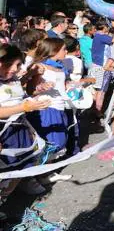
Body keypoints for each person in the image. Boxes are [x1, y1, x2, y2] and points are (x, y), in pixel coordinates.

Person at [0, 45, 51, 207]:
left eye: (17, 65)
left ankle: (4, 198)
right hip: (4, 135)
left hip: (20, 130)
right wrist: (24, 108)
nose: (14, 69)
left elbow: (19, 94)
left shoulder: (13, 79)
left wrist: (34, 81)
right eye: (9, 65)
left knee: (22, 167)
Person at [26, 38, 75, 183]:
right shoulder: (40, 67)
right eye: (64, 49)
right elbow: (30, 89)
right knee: (53, 142)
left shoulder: (60, 66)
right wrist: (40, 88)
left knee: (58, 141)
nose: (66, 51)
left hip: (60, 106)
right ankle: (39, 174)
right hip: (47, 107)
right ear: (54, 51)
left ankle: (46, 171)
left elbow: (62, 84)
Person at [89, 19, 114, 114]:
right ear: (104, 27)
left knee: (98, 90)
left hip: (96, 65)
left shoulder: (97, 36)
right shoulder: (102, 37)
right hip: (102, 67)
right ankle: (98, 112)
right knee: (101, 91)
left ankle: (95, 110)